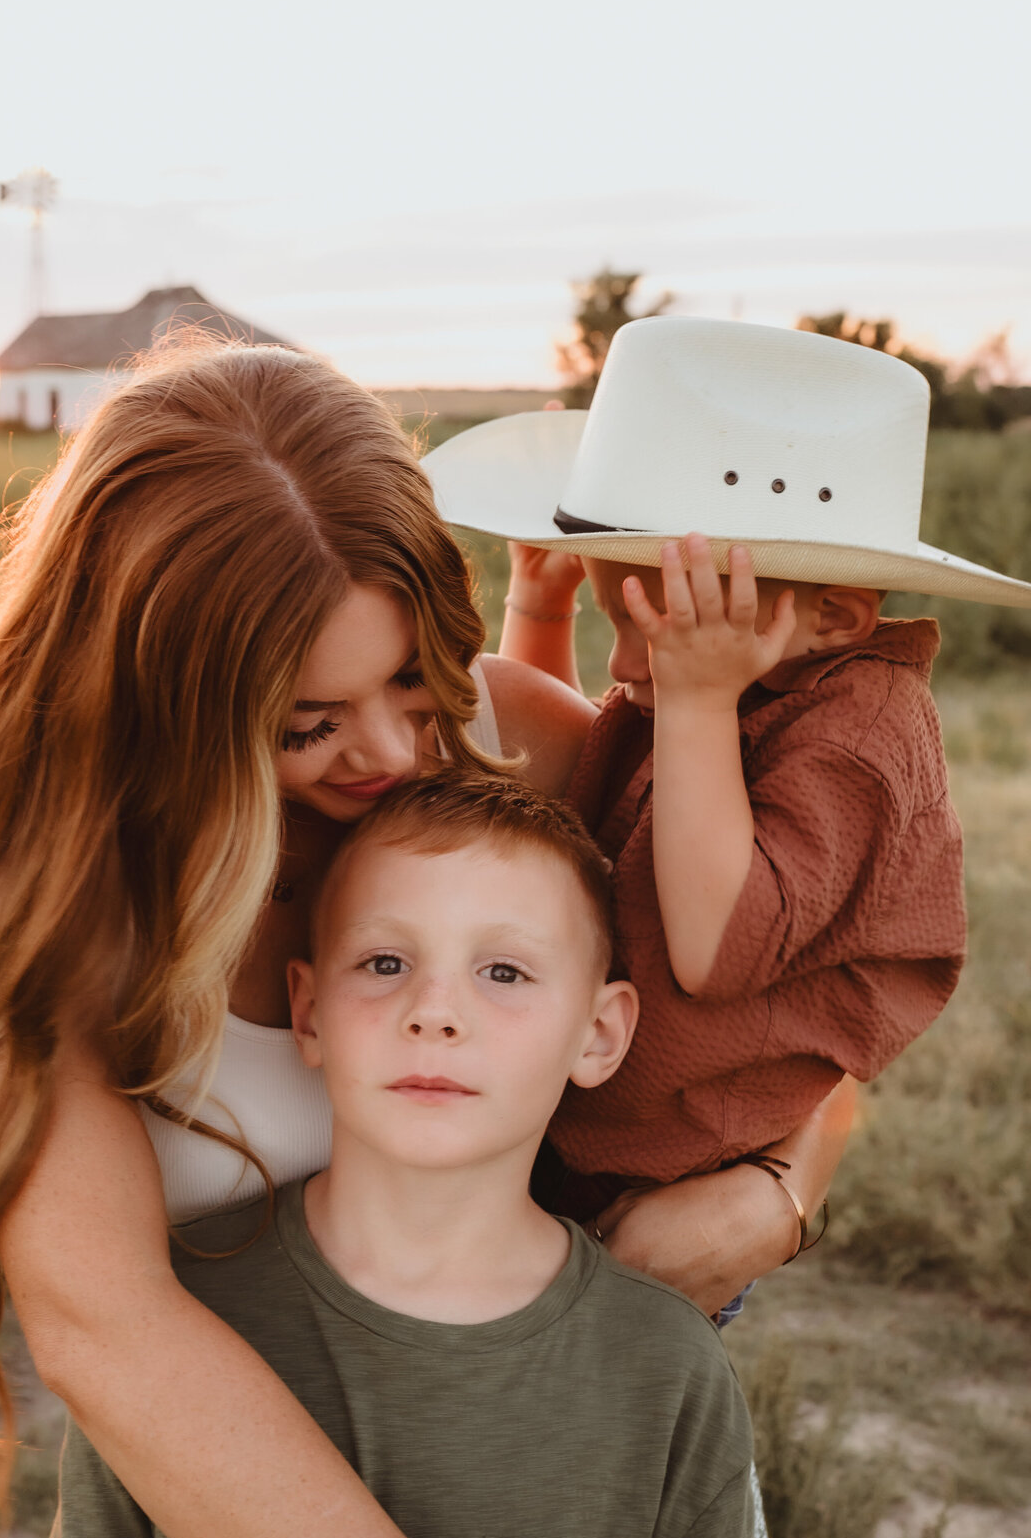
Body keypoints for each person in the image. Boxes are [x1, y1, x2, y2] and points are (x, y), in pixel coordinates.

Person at [0, 335, 843, 1538]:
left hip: (576, 1519)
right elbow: (110, 1330)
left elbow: (794, 1009)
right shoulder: (44, 908)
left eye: (413, 684)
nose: (389, 751)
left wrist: (778, 1189)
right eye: (305, 722)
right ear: (156, 701)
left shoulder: (512, 753)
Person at [44, 773, 774, 1538]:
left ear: (600, 1033)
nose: (436, 1012)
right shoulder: (175, 1318)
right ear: (306, 1008)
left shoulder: (664, 1370)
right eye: (385, 962)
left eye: (507, 974)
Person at [424, 314, 1031, 1225]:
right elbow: (571, 794)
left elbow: (717, 949)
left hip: (660, 1181)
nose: (626, 663)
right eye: (612, 617)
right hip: (581, 1136)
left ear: (833, 616)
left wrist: (698, 698)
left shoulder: (859, 735)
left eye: (658, 629)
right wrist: (542, 610)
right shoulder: (711, 682)